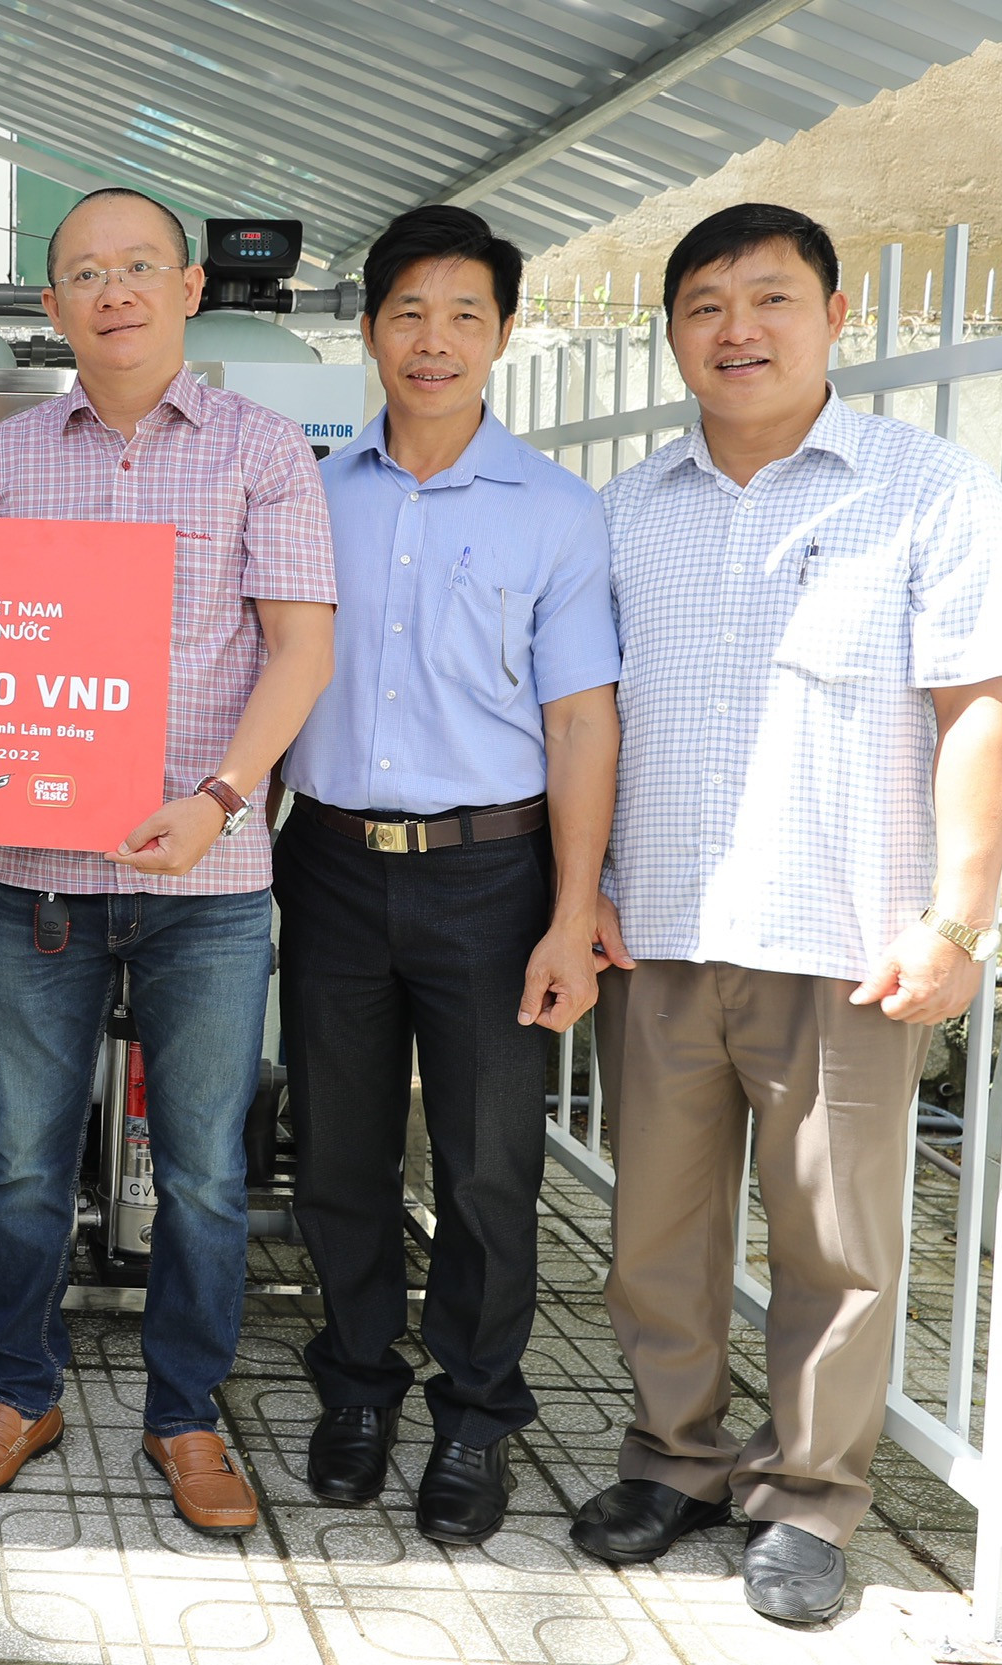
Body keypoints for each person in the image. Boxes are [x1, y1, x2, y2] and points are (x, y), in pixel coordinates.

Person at [566, 203, 1002, 1624]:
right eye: (705, 306)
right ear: (673, 334)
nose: (738, 330)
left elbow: (981, 707)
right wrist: (584, 890)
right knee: (656, 1230)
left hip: (844, 939)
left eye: (769, 298)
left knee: (836, 1243)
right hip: (661, 927)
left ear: (834, 317)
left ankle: (811, 1496)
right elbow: (588, 718)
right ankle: (675, 1460)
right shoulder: (627, 509)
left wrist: (956, 921)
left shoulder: (927, 489)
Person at [0, 187, 337, 1536]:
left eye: (140, 267)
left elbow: (302, 649)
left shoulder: (263, 450)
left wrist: (220, 799)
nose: (115, 292)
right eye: (87, 273)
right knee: (23, 1161)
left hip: (205, 886)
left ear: (190, 286)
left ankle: (186, 1415)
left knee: (205, 1170)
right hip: (38, 875)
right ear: (51, 305)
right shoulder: (0, 463)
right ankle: (17, 1392)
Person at [275, 205, 620, 1545]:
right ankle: (357, 1386)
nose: (434, 340)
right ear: (368, 331)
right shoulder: (307, 496)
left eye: (463, 315)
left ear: (504, 333)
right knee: (337, 1152)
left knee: (487, 1166)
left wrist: (573, 913)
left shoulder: (556, 511)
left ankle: (477, 1413)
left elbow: (580, 720)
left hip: (491, 874)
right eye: (408, 314)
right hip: (329, 864)